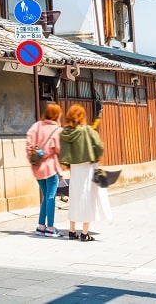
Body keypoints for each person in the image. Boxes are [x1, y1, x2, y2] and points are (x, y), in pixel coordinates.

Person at [59, 103, 111, 241]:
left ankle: (71, 231)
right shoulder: (87, 130)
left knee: (75, 198)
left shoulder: (65, 133)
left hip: (75, 169)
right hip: (88, 167)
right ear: (82, 116)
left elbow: (63, 153)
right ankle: (84, 233)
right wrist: (96, 155)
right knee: (88, 197)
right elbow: (99, 146)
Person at [25, 103, 63, 236]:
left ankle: (41, 226)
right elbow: (59, 150)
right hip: (51, 169)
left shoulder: (36, 126)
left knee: (45, 196)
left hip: (37, 169)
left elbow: (29, 146)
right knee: (51, 197)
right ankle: (51, 228)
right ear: (56, 115)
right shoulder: (56, 130)